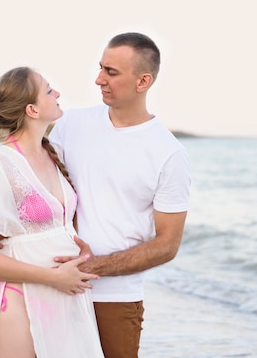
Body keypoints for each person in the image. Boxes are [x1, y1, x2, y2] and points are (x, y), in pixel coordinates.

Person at [49, 32, 192, 358]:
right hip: (52, 284)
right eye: (101, 68)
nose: (99, 79)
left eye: (111, 72)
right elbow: (38, 191)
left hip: (115, 299)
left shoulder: (168, 153)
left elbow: (167, 245)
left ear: (143, 81)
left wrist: (90, 267)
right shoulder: (71, 123)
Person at [0, 67, 104, 358]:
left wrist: (82, 251)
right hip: (18, 302)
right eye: (50, 90)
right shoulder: (0, 166)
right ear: (32, 109)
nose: (58, 94)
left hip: (62, 301)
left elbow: (59, 226)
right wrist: (54, 277)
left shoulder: (54, 154)